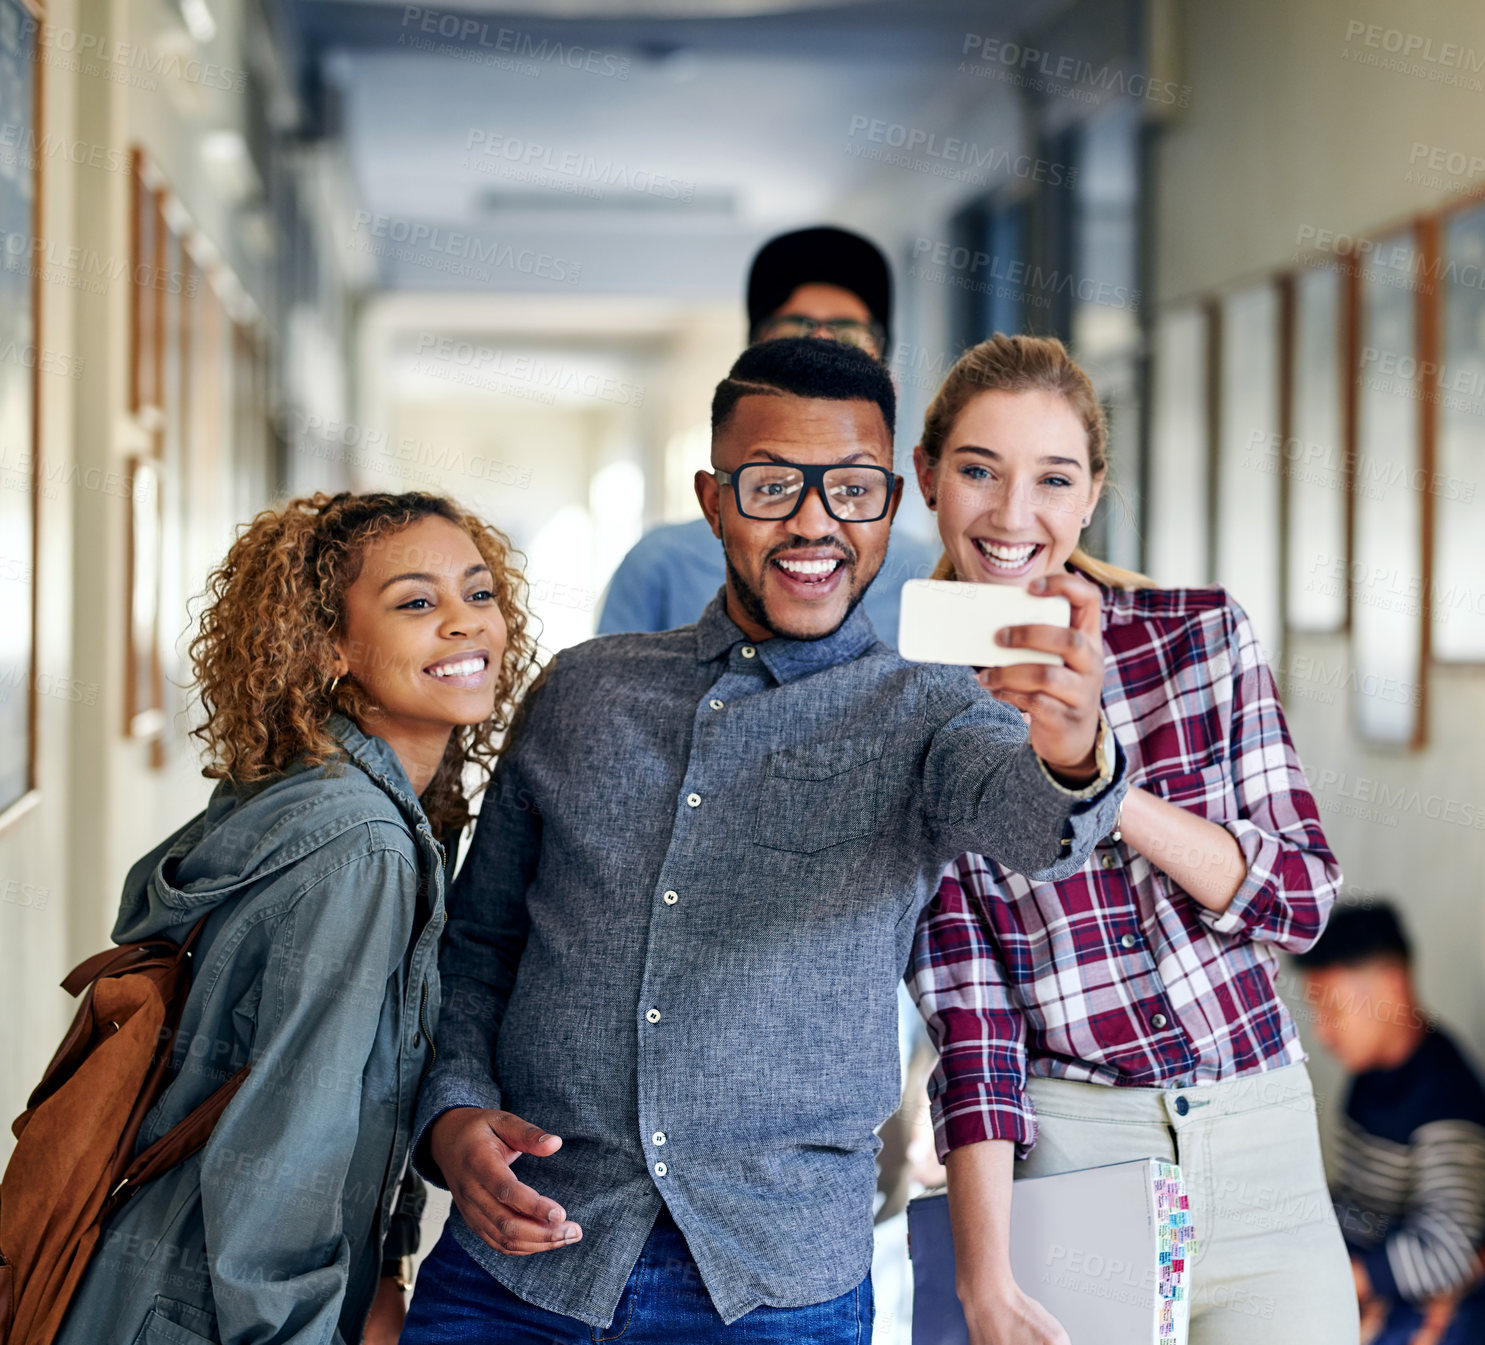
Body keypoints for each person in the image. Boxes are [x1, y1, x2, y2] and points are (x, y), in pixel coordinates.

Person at [399, 336, 1126, 1344]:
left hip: (774, 1291)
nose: (815, 522)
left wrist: (1075, 750)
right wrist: (452, 1116)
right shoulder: (584, 692)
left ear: (891, 503)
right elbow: (477, 950)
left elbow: (1038, 824)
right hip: (518, 1268)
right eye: (773, 484)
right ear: (712, 499)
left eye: (854, 490)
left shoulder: (932, 709)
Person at [906, 334, 1358, 1345]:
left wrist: (1101, 772)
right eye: (979, 469)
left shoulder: (1200, 634)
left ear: (1092, 492)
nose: (1015, 514)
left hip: (1264, 1144)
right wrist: (985, 1281)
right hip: (1077, 1161)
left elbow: (1299, 900)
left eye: (1053, 478)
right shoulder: (913, 710)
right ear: (927, 475)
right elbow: (974, 1025)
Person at [54, 492, 535, 1345]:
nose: (466, 624)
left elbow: (356, 1090)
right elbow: (284, 1149)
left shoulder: (304, 789)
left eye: (479, 593)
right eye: (418, 602)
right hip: (211, 1314)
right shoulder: (364, 849)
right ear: (329, 647)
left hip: (155, 1282)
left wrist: (382, 1267)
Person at [598, 224, 937, 644]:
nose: (813, 526)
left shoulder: (930, 576)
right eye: (793, 334)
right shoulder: (661, 564)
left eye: (849, 337)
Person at [1295, 902, 1485, 1345]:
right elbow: (1358, 1198)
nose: (1322, 1031)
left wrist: (1347, 1282)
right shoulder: (1371, 1073)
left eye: (1332, 1010)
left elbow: (1449, 1251)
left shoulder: (1444, 1102)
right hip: (1363, 1256)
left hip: (1422, 1295)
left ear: (1391, 989)